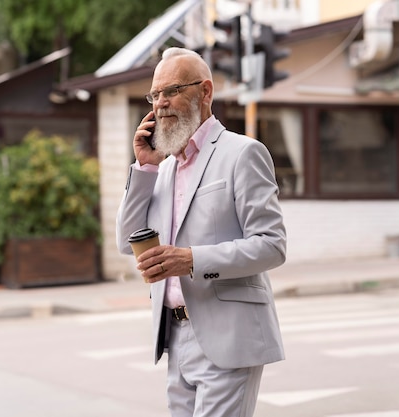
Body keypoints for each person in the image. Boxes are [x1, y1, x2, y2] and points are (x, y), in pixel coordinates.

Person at [116, 47, 286, 417]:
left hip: (229, 335)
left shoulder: (243, 153)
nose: (161, 103)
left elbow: (272, 246)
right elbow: (126, 241)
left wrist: (190, 260)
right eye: (155, 94)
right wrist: (143, 169)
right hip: (174, 337)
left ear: (205, 92)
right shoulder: (163, 168)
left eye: (172, 90)